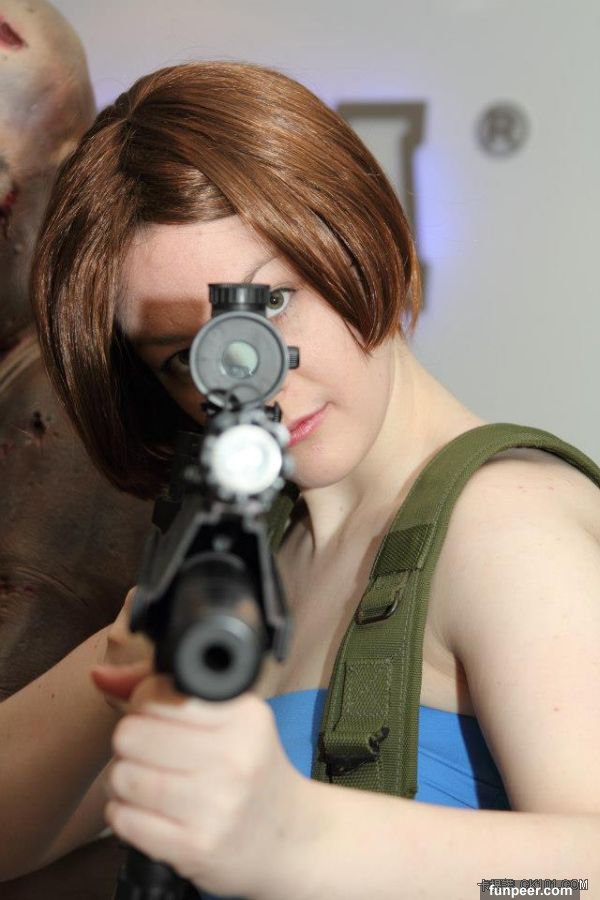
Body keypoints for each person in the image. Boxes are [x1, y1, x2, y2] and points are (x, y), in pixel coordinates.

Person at [4, 61, 599, 898]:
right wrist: (130, 665)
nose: (257, 381)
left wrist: (300, 837)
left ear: (355, 234)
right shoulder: (253, 553)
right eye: (185, 357)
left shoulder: (503, 524)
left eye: (270, 306)